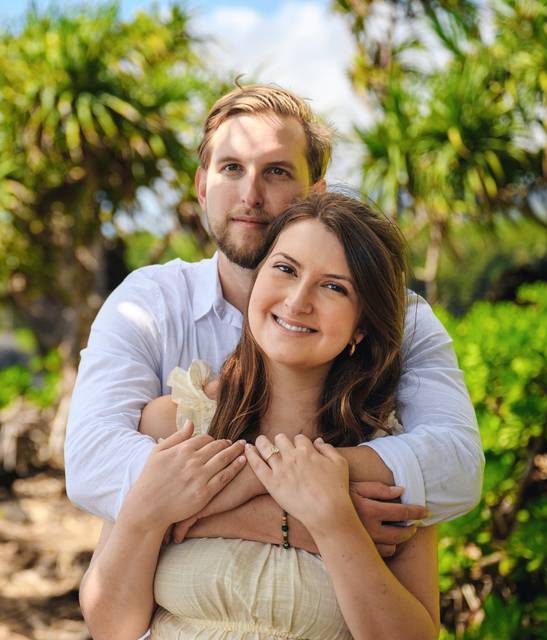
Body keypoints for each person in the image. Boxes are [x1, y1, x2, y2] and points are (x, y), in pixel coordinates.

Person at [65, 84, 483, 553]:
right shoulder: (148, 303)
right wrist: (287, 517)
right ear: (202, 185)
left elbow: (459, 468)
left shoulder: (397, 315)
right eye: (231, 168)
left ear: (314, 193)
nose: (251, 194)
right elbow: (91, 464)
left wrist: (200, 505)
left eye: (277, 172)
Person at [80, 194, 439, 639]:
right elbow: (110, 624)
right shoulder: (175, 424)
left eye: (334, 287)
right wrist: (146, 515)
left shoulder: (390, 459)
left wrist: (334, 524)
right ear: (257, 281)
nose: (298, 301)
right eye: (286, 269)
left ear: (360, 328)